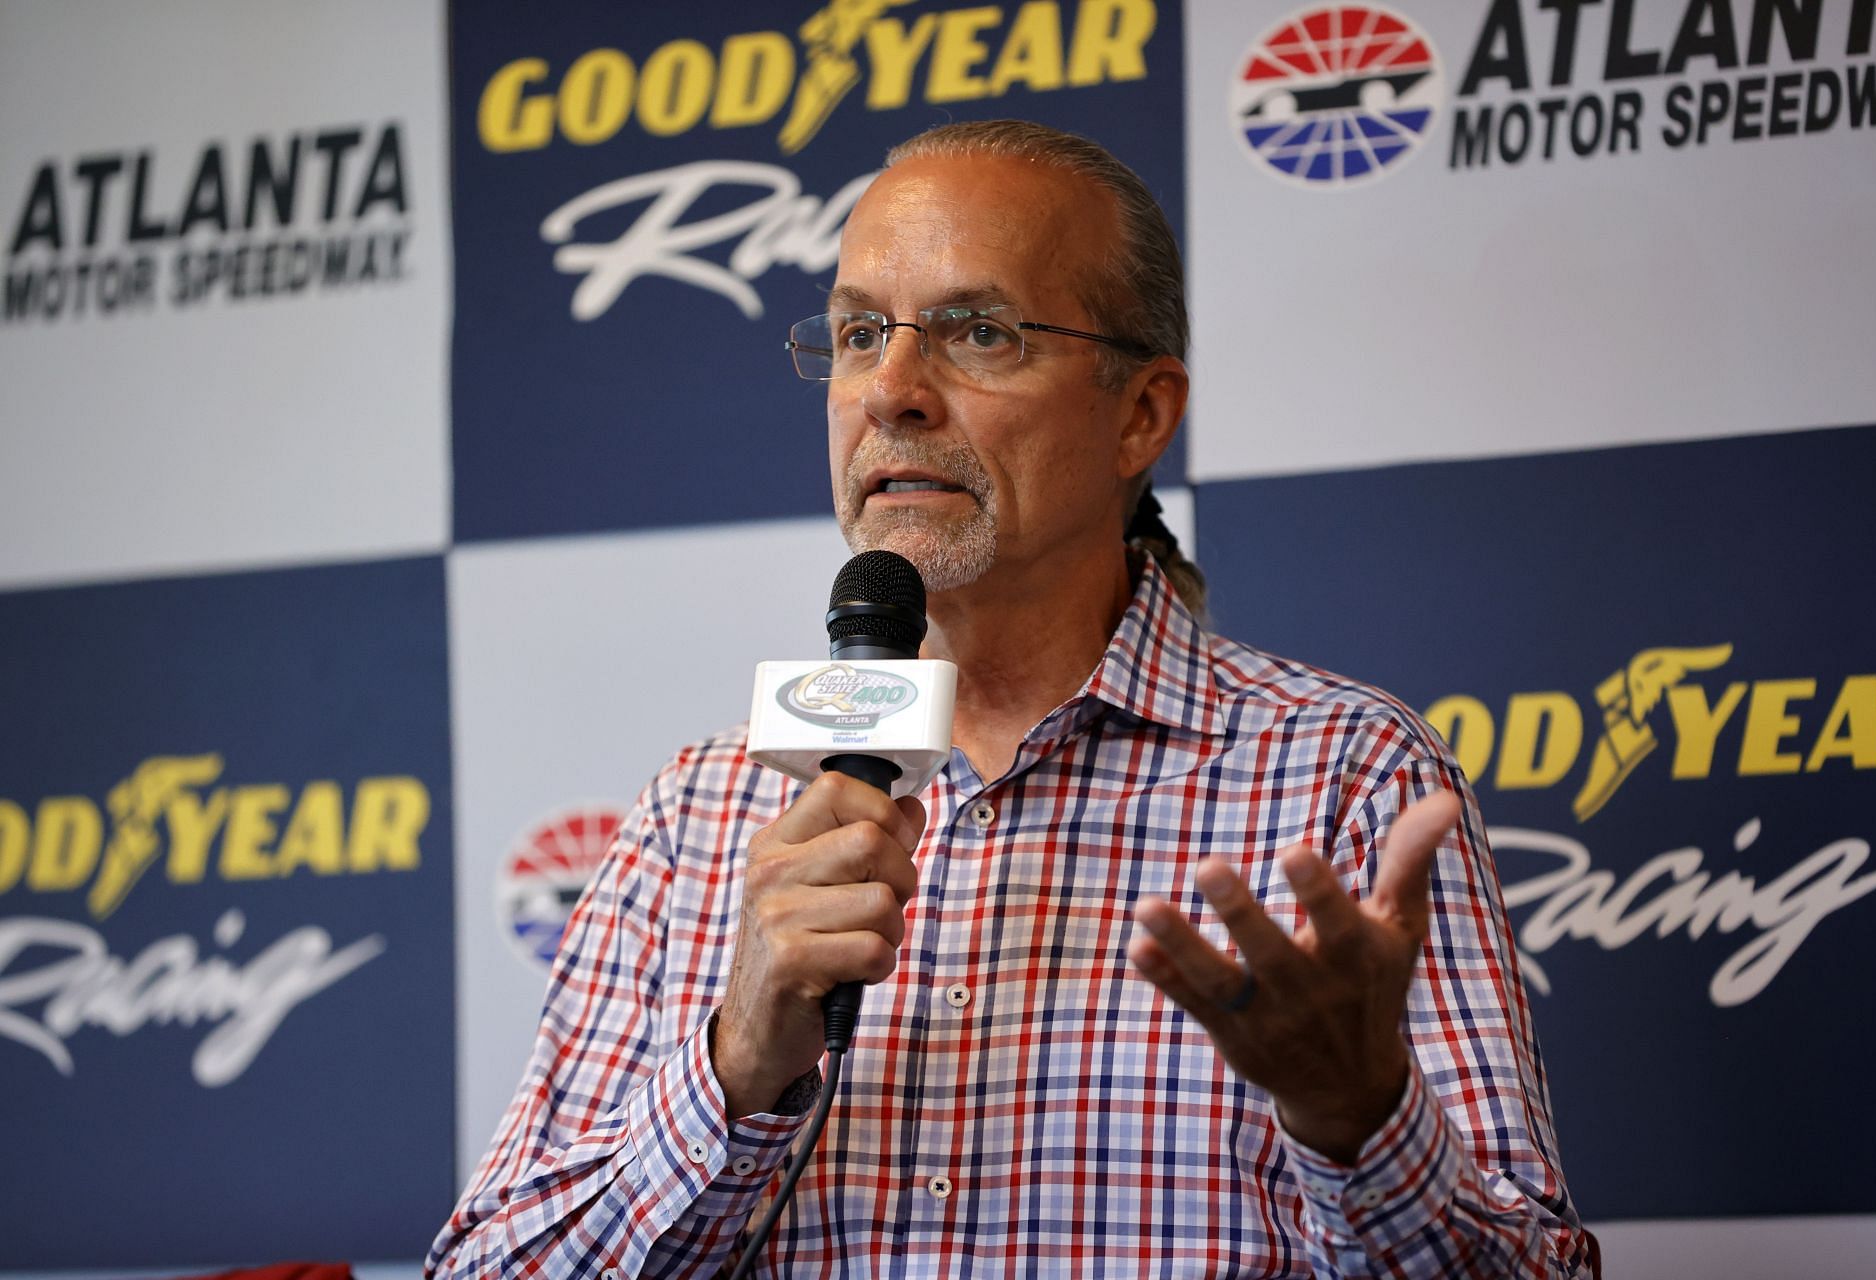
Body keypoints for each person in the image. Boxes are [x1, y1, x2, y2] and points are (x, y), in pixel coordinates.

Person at [429, 120, 1594, 1278]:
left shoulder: (1347, 774)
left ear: (1140, 412)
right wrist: (734, 1065)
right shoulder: (698, 812)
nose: (890, 391)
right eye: (857, 333)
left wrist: (1363, 1122)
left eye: (977, 332)